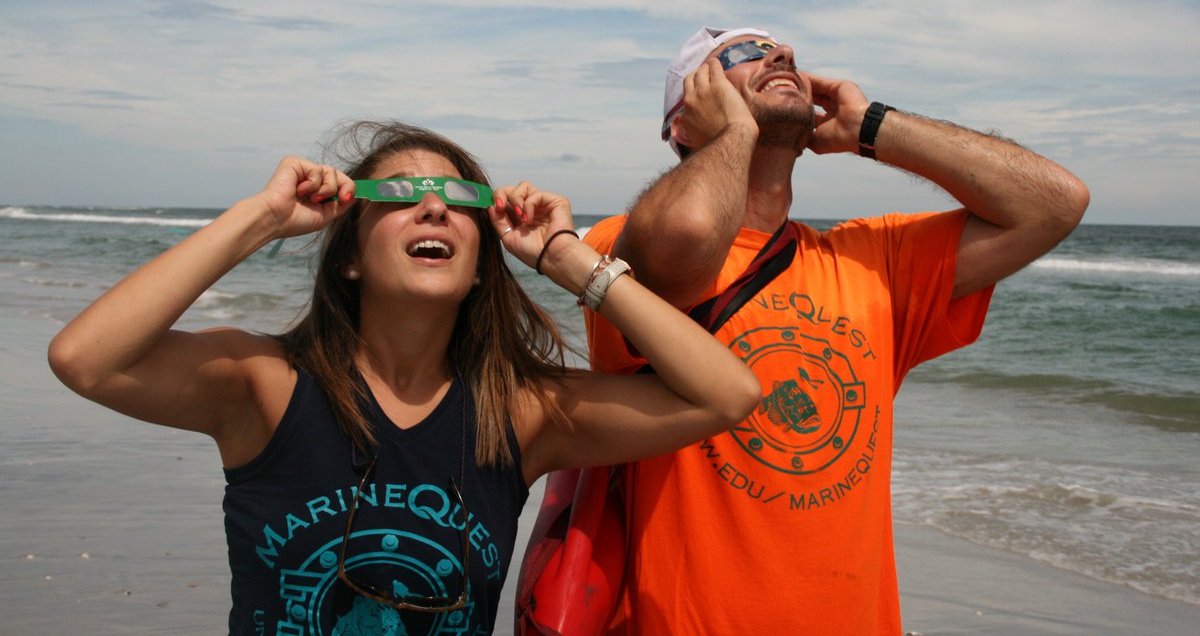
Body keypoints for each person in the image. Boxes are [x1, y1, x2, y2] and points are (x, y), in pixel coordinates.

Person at [46, 120, 761, 636]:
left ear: (482, 260)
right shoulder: (265, 386)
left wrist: (570, 260)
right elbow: (85, 358)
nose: (434, 207)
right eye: (403, 195)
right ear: (350, 255)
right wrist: (262, 219)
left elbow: (727, 393)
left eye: (459, 201)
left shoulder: (518, 412)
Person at [580, 27, 1090, 634]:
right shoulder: (616, 245)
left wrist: (871, 124)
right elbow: (686, 235)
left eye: (786, 52)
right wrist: (737, 133)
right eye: (741, 56)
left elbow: (1055, 203)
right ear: (683, 124)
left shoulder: (872, 261)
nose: (783, 56)